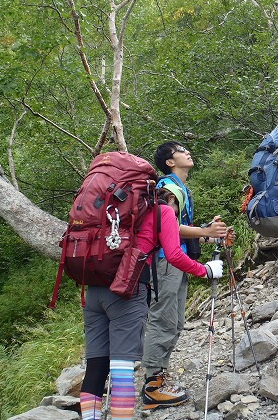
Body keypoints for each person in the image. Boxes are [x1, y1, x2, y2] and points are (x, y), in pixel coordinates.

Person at [79, 184, 223, 420]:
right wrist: (204, 270)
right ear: (173, 200)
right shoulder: (162, 211)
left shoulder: (118, 211)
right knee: (122, 366)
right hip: (127, 290)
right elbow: (174, 254)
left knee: (95, 366)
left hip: (94, 287)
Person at [141, 141, 230, 410]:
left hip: (174, 262)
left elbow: (179, 230)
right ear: (170, 161)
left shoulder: (179, 188)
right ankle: (152, 385)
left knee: (175, 321)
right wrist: (205, 232)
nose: (187, 151)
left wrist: (206, 232)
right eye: (180, 150)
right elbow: (168, 228)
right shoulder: (167, 188)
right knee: (163, 320)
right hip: (164, 263)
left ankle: (158, 379)